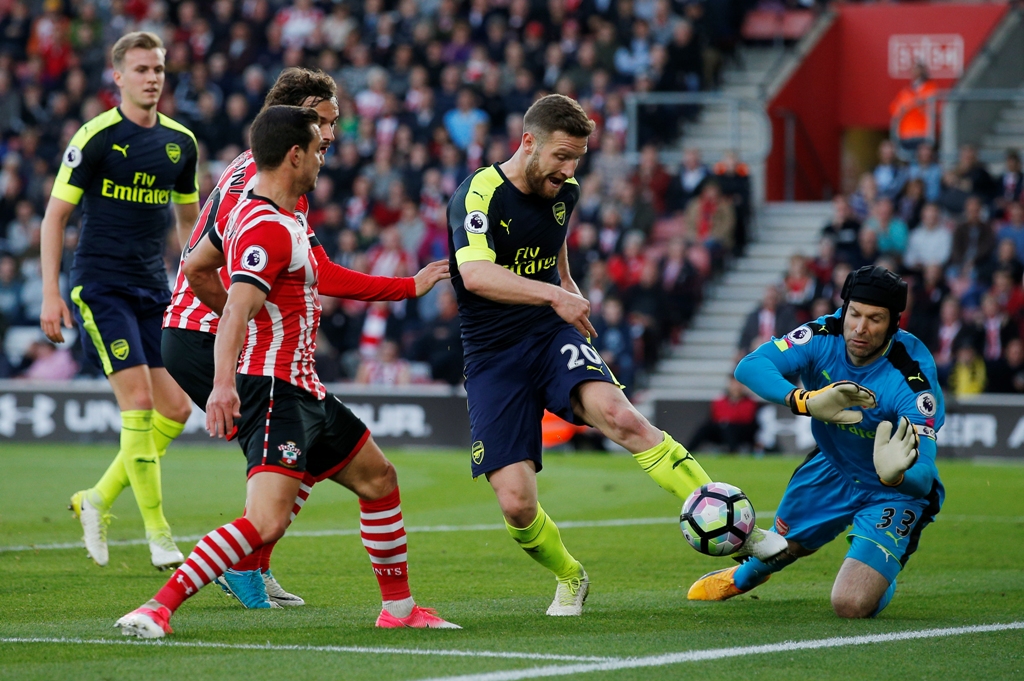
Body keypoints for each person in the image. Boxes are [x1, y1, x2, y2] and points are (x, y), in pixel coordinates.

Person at [115, 106, 458, 639]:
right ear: (294, 154)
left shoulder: (283, 212)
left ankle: (400, 608)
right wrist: (225, 384)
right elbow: (234, 310)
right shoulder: (266, 228)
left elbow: (200, 263)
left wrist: (407, 286)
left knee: (379, 479)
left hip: (304, 387)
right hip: (274, 392)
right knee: (265, 521)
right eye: (320, 148)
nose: (326, 156)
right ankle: (156, 608)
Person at [446, 94, 785, 617]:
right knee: (516, 503)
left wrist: (567, 290)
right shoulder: (480, 193)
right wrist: (557, 295)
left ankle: (742, 529)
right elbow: (475, 275)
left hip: (547, 333)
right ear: (528, 142)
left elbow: (555, 251)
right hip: (492, 354)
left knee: (620, 415)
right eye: (561, 155)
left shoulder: (566, 191)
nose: (569, 169)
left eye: (577, 158)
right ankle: (569, 575)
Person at [688, 266, 945, 620]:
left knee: (851, 604)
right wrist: (803, 400)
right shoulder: (823, 333)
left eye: (875, 319)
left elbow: (926, 476)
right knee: (779, 549)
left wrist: (898, 475)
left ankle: (881, 573)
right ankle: (742, 577)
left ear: (893, 323)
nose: (859, 327)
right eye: (854, 313)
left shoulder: (912, 378)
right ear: (844, 308)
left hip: (892, 490)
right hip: (833, 466)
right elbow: (750, 366)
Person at [39, 32, 199, 570]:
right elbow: (55, 217)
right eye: (141, 69)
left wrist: (197, 281)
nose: (152, 77)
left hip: (154, 287)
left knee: (176, 408)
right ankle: (159, 535)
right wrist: (50, 295)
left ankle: (96, 499)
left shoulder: (182, 142)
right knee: (139, 404)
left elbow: (187, 221)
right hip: (101, 285)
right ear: (119, 76)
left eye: (157, 68)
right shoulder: (97, 137)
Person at [889, 62, 939, 154]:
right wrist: (910, 105)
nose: (916, 72)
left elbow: (930, 105)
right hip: (906, 135)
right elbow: (894, 110)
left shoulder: (931, 87)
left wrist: (908, 105)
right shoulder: (906, 91)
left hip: (923, 134)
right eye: (914, 69)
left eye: (918, 69)